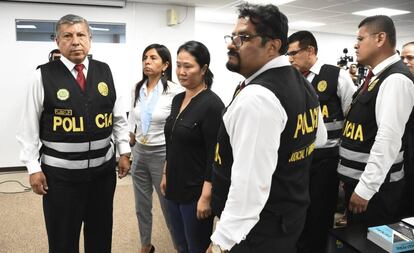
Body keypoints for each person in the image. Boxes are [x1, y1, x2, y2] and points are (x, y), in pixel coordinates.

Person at [208, 3, 327, 253]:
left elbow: (250, 186)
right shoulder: (302, 82)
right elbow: (319, 138)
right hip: (288, 217)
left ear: (272, 46)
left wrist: (221, 242)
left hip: (255, 233)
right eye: (232, 37)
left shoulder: (257, 98)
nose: (232, 44)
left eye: (243, 38)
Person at [16, 14, 131, 253]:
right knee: (63, 239)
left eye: (81, 35)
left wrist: (124, 151)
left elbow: (118, 117)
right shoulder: (42, 76)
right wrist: (33, 168)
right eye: (68, 36)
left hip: (101, 175)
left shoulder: (106, 71)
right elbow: (28, 127)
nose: (75, 41)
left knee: (100, 236)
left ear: (90, 38)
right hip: (61, 179)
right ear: (57, 41)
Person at [338, 15, 414, 228]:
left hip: (376, 191)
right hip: (362, 183)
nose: (355, 44)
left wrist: (365, 189)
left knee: (367, 243)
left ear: (380, 38)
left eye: (360, 39)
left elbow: (387, 141)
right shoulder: (377, 77)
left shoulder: (395, 79)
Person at [287, 30, 356, 253]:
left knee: (318, 215)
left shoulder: (336, 76)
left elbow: (350, 115)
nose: (290, 59)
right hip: (298, 159)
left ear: (310, 51)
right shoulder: (291, 77)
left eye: (294, 53)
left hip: (326, 161)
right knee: (296, 214)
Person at [160, 40, 224, 253]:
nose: (181, 72)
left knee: (196, 246)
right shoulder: (178, 99)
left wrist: (206, 196)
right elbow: (172, 141)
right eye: (178, 65)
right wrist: (165, 173)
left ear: (204, 69)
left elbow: (213, 155)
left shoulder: (213, 105)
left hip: (196, 192)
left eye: (188, 66)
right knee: (180, 244)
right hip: (174, 186)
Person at [129, 44, 182, 253]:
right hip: (139, 152)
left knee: (168, 207)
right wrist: (127, 150)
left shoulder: (175, 91)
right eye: (145, 58)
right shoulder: (137, 88)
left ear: (165, 64)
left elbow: (178, 127)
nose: (147, 62)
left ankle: (180, 246)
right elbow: (133, 119)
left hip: (162, 154)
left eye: (153, 58)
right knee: (142, 206)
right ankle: (145, 245)